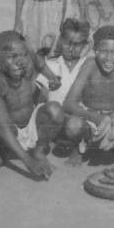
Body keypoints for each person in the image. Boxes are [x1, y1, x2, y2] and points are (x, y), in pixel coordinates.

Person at [63, 25, 114, 167]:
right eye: (103, 51)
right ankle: (80, 147)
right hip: (89, 116)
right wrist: (96, 117)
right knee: (73, 126)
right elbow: (69, 103)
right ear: (95, 51)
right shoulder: (90, 64)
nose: (108, 58)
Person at [0, 30, 55, 180]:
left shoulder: (28, 69)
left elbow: (39, 61)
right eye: (12, 57)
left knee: (54, 110)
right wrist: (28, 161)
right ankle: (0, 155)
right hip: (10, 130)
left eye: (23, 55)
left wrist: (53, 78)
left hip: (29, 126)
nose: (20, 61)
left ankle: (39, 151)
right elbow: (2, 126)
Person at [34, 17, 91, 166]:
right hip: (54, 119)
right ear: (60, 40)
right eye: (67, 43)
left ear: (86, 44)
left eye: (77, 44)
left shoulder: (88, 66)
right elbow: (40, 95)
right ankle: (44, 144)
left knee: (75, 125)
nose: (71, 49)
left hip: (76, 120)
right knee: (51, 109)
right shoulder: (51, 64)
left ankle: (78, 148)